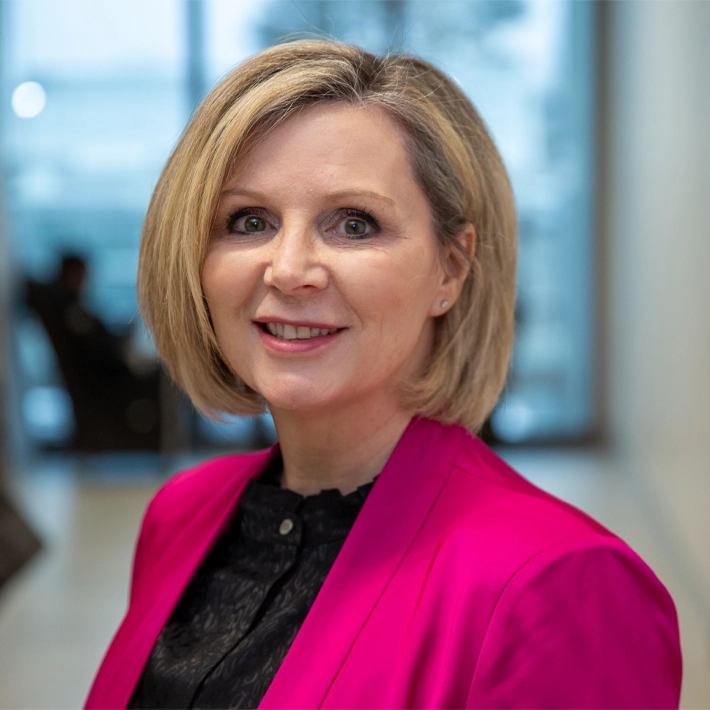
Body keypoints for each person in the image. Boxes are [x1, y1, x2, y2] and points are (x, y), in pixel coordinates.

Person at [84, 40, 682, 709]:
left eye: (354, 225)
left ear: (450, 271)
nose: (288, 270)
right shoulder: (181, 513)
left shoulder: (558, 584)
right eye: (249, 221)